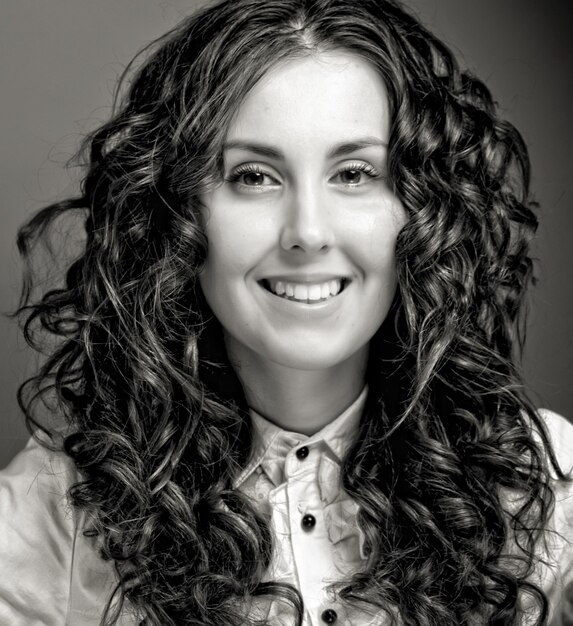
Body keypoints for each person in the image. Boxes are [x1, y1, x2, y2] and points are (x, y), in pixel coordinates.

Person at [1, 0, 572, 624]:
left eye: (354, 173)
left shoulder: (548, 486)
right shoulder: (56, 510)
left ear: (422, 210)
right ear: (176, 212)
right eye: (254, 176)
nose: (307, 232)